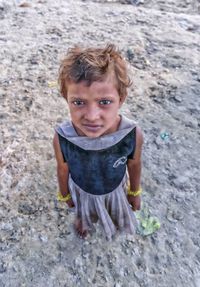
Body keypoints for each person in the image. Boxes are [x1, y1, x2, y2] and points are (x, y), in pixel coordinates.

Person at [53, 44, 143, 240]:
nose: (92, 117)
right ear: (66, 98)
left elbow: (134, 164)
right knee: (83, 211)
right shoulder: (63, 137)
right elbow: (62, 168)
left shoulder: (131, 134)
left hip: (114, 190)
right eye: (78, 102)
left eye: (104, 102)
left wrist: (134, 191)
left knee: (114, 212)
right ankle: (83, 221)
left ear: (121, 98)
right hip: (82, 189)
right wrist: (65, 195)